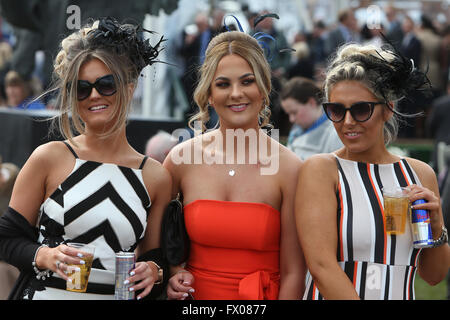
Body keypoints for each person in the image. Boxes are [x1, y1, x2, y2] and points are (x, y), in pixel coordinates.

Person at [0, 17, 172, 300]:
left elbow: (157, 256)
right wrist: (44, 255)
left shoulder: (154, 176)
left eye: (106, 84)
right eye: (82, 88)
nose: (93, 95)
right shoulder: (50, 158)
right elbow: (6, 237)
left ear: (129, 89)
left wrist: (155, 269)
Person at [295, 42, 450, 300]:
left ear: (387, 108)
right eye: (336, 110)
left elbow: (433, 277)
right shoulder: (322, 170)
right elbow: (321, 267)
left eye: (360, 109)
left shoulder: (420, 174)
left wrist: (437, 229)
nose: (347, 122)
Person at [163, 29, 306, 300]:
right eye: (223, 84)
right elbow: (155, 243)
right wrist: (170, 274)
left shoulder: (290, 168)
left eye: (247, 81)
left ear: (263, 88)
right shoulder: (180, 160)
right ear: (208, 94)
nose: (236, 93)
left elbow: (294, 273)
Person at [280, 77, 343, 160]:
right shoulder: (297, 130)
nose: (291, 119)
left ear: (311, 102)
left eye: (294, 112)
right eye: (289, 114)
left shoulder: (335, 134)